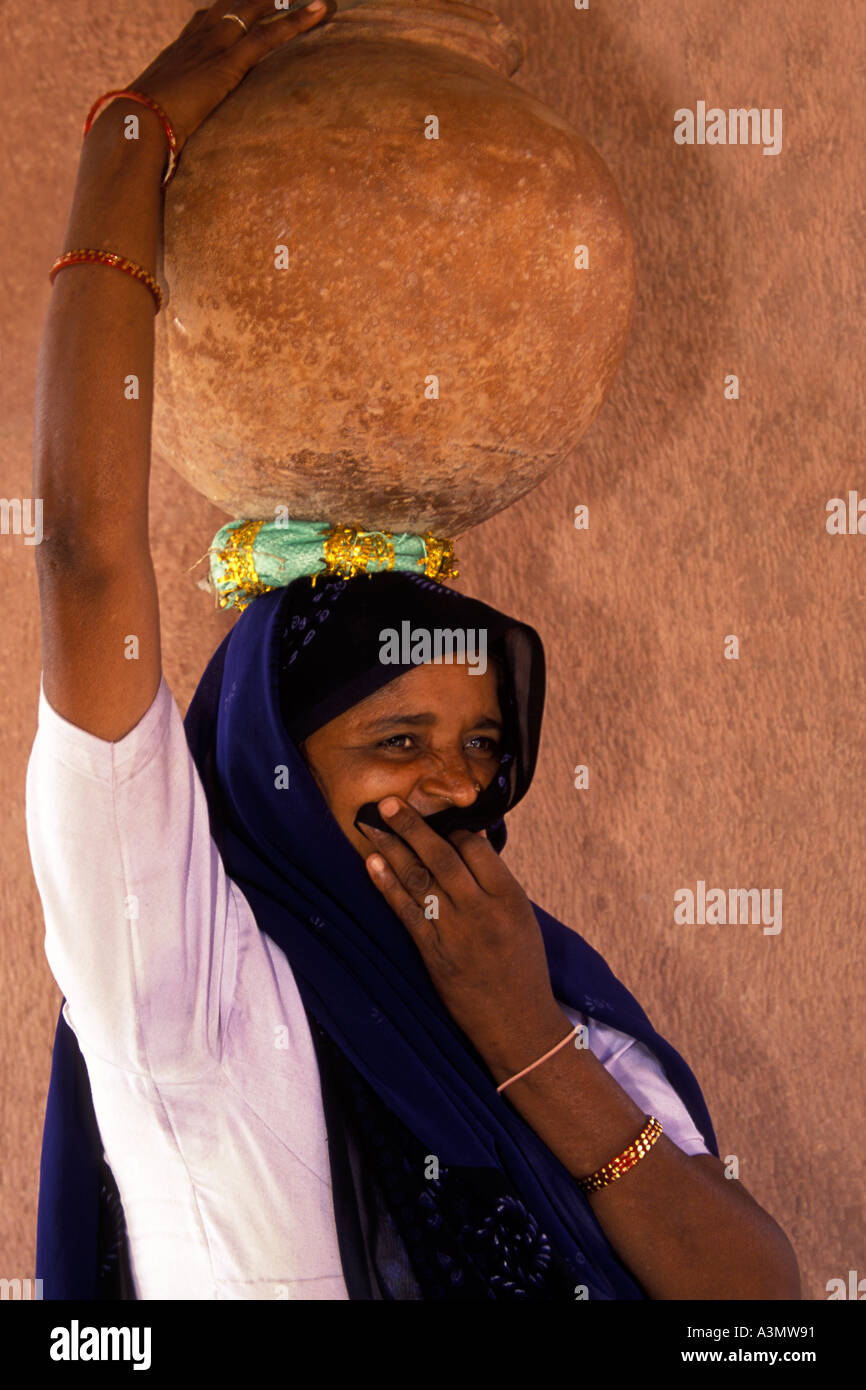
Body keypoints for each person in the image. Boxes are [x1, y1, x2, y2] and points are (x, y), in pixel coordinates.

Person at [27, 0, 800, 1299]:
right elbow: (86, 558)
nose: (452, 786)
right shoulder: (184, 974)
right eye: (398, 738)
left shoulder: (540, 991)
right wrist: (132, 134)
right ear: (273, 750)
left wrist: (519, 1036)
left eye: (481, 746)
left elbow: (753, 1303)